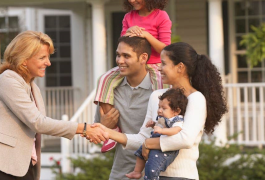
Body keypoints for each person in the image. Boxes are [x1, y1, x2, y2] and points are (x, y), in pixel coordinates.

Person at [0, 31, 107, 180]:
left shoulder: (32, 87)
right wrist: (84, 128)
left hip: (21, 167)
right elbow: (38, 122)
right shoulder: (8, 80)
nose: (48, 63)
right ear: (23, 59)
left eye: (48, 57)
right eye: (42, 57)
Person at [92, 42, 228, 180]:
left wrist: (148, 143)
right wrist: (107, 132)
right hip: (154, 176)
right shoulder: (157, 96)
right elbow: (143, 138)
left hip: (182, 176)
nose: (159, 69)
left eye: (164, 64)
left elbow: (185, 139)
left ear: (180, 67)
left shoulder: (196, 99)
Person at [94, 0, 172, 153]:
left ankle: (159, 128)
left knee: (161, 89)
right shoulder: (129, 17)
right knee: (105, 78)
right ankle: (110, 128)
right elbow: (123, 44)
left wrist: (145, 35)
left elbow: (166, 49)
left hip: (153, 65)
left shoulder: (161, 16)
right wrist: (130, 33)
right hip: (132, 64)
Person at [94, 36, 155, 180]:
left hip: (156, 171)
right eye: (118, 55)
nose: (120, 61)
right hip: (121, 173)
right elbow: (96, 133)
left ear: (143, 58)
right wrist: (104, 127)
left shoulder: (158, 91)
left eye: (126, 56)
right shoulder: (109, 91)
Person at [126, 88, 188, 180]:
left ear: (176, 111)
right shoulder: (162, 117)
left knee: (153, 167)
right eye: (159, 107)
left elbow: (176, 130)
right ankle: (137, 171)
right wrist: (153, 125)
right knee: (139, 153)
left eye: (164, 108)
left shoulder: (176, 119)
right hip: (155, 143)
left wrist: (162, 131)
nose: (159, 110)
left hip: (165, 148)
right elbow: (159, 127)